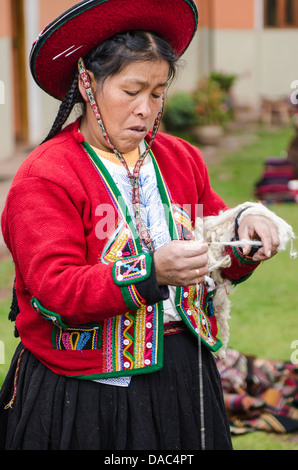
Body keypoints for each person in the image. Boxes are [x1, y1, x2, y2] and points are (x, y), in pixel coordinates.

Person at [0, 0, 295, 451]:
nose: (146, 110)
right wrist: (150, 272)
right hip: (86, 387)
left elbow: (213, 245)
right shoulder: (46, 176)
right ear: (87, 84)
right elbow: (53, 289)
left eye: (157, 94)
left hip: (182, 374)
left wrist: (244, 234)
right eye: (131, 91)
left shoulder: (181, 159)